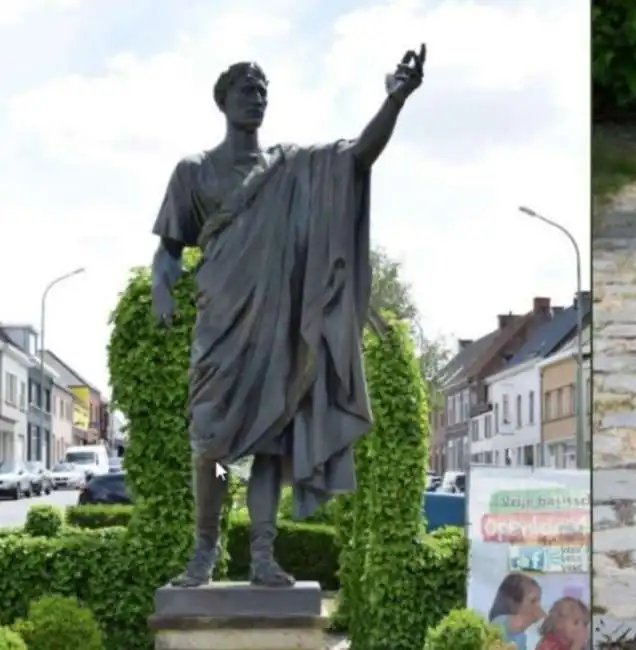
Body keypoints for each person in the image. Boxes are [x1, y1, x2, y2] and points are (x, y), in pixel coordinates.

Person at [151, 45, 426, 588]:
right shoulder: (193, 172)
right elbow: (168, 248)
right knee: (209, 442)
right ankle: (203, 554)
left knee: (270, 443)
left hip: (276, 330)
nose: (256, 100)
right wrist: (163, 283)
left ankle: (262, 557)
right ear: (222, 100)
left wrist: (395, 100)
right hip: (220, 324)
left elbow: (354, 158)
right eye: (246, 92)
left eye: (262, 93)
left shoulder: (290, 168)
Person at [488, 573, 545, 650]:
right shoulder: (500, 621)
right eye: (533, 601)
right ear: (514, 603)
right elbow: (521, 622)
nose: (538, 607)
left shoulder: (520, 635)